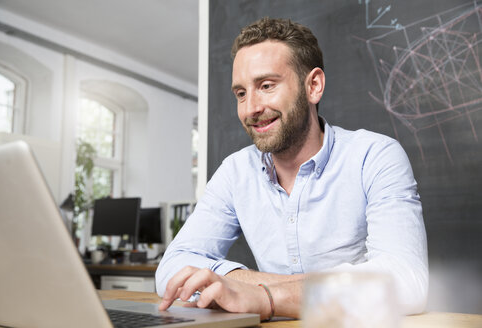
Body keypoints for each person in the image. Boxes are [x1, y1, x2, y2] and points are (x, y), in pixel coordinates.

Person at [156, 17, 428, 320]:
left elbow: (406, 281)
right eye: (241, 93)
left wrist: (265, 296)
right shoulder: (235, 172)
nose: (250, 109)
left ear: (313, 86)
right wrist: (281, 288)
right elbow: (171, 268)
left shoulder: (374, 156)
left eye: (267, 86)